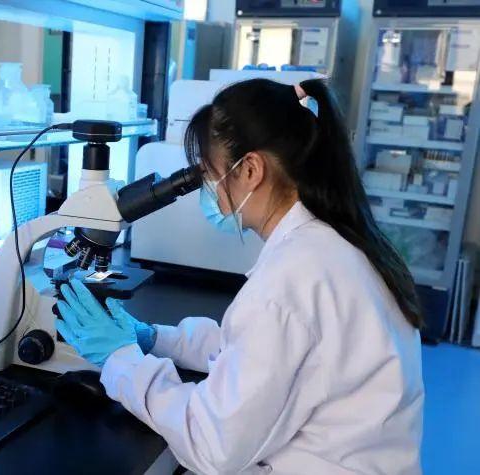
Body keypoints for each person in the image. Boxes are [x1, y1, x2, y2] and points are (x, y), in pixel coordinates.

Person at [56, 78, 424, 474]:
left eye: (208, 175)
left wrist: (121, 360)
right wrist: (154, 338)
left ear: (250, 169)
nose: (208, 191)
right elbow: (255, 352)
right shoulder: (334, 243)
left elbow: (211, 443)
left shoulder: (291, 279)